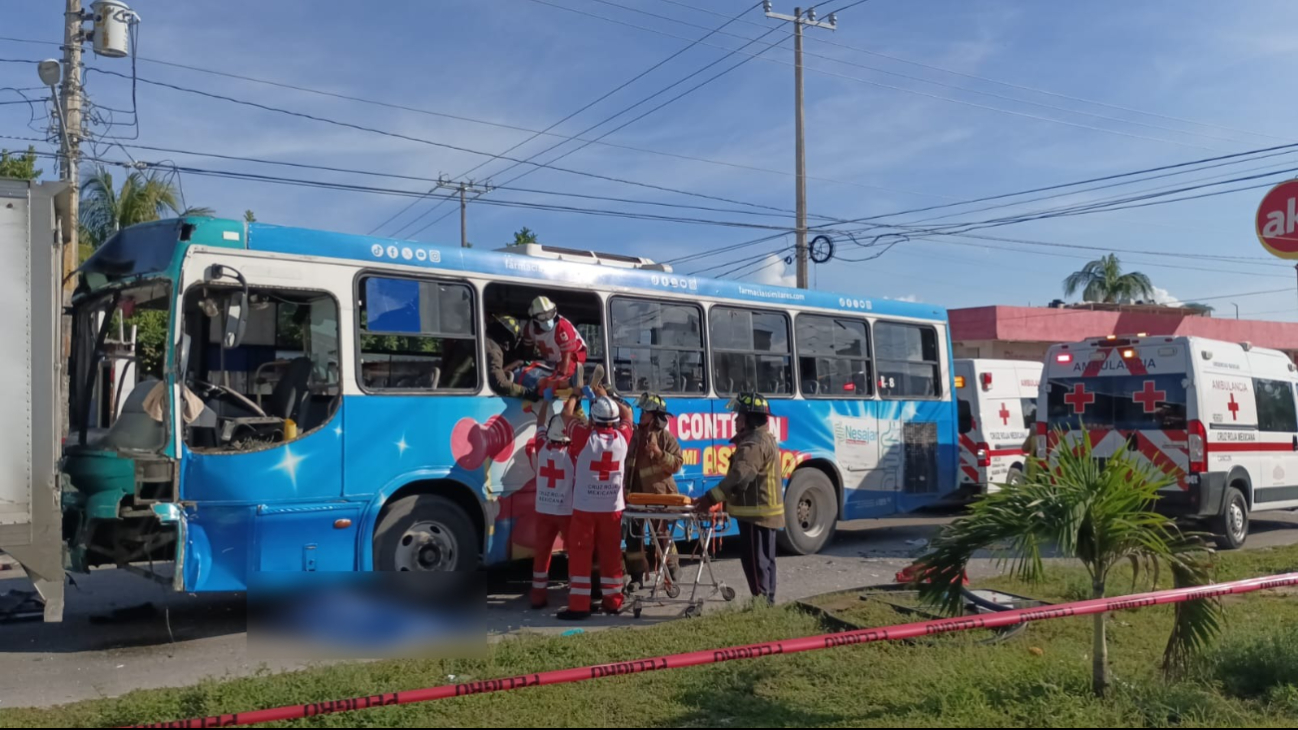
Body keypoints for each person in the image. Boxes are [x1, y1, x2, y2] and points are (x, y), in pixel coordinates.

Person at [694, 392, 783, 606]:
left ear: (749, 419)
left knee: (755, 561)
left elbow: (740, 477)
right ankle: (767, 602)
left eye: (739, 416)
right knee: (765, 561)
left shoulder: (753, 444)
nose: (735, 420)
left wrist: (709, 498)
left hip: (756, 514)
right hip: (764, 512)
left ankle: (761, 604)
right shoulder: (763, 438)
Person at [558, 385, 633, 620]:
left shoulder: (583, 437)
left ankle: (579, 606)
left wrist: (574, 395)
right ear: (614, 419)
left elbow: (565, 416)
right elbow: (628, 415)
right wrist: (606, 396)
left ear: (593, 418)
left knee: (581, 555)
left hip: (585, 508)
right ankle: (613, 602)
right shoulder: (623, 436)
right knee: (611, 554)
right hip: (612, 509)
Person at [624, 392, 684, 586]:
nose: (641, 414)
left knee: (662, 535)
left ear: (655, 415)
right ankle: (636, 577)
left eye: (646, 411)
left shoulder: (665, 437)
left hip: (660, 495)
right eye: (642, 410)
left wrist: (658, 453)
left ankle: (672, 569)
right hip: (635, 496)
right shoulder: (635, 435)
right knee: (634, 539)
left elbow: (677, 463)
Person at [529, 398, 576, 609]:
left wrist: (545, 403)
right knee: (574, 552)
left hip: (542, 510)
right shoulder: (572, 454)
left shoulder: (542, 447)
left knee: (542, 553)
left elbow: (539, 425)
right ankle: (575, 591)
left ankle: (538, 596)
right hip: (565, 511)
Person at [523, 296, 588, 392]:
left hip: (574, 355)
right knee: (535, 376)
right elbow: (527, 353)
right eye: (542, 316)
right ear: (534, 318)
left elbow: (567, 357)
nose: (547, 319)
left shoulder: (562, 326)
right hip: (552, 360)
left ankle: (581, 383)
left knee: (561, 378)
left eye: (550, 313)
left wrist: (560, 377)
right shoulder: (529, 329)